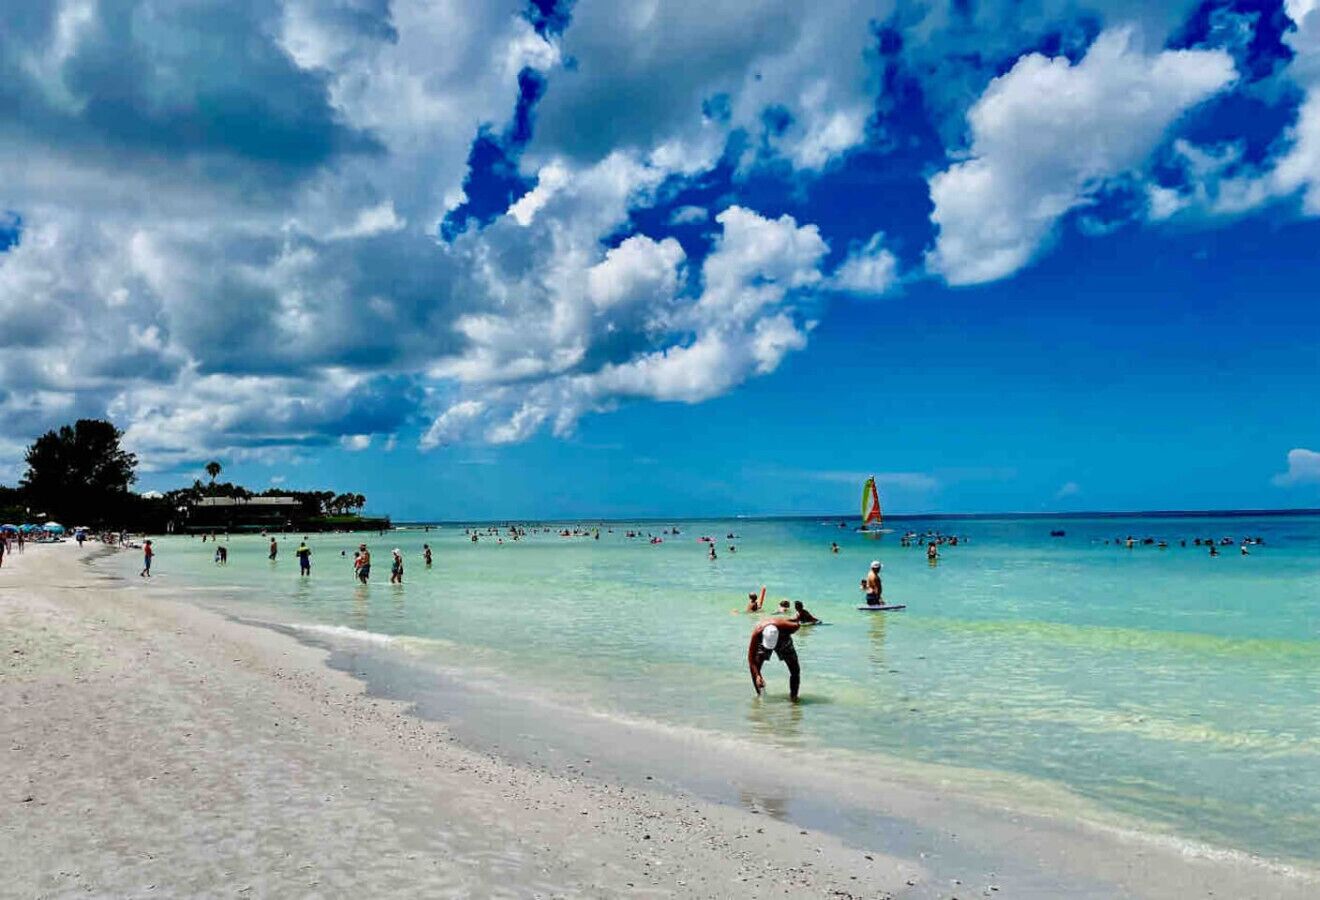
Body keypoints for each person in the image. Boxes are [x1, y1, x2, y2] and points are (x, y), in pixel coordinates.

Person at [748, 618, 802, 700]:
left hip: (783, 638)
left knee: (795, 669)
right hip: (764, 640)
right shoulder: (757, 633)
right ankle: (760, 695)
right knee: (755, 668)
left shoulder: (790, 627)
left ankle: (794, 697)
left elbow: (798, 623)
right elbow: (751, 659)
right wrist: (757, 675)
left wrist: (793, 619)